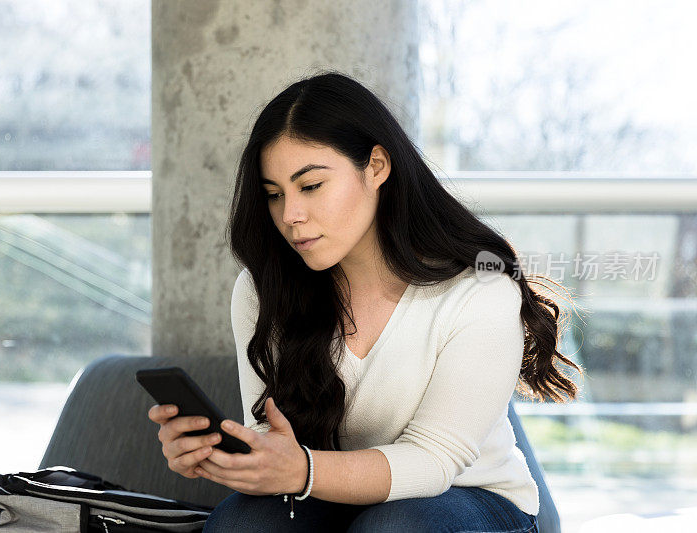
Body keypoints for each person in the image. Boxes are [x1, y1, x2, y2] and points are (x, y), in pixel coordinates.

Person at [148, 70, 583, 532]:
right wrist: (229, 458)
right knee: (244, 525)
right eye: (274, 195)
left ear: (376, 166)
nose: (291, 215)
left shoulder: (478, 290)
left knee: (395, 527)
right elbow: (269, 437)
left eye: (311, 186)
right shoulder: (264, 288)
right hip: (327, 493)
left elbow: (434, 462)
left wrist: (301, 470)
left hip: (471, 499)